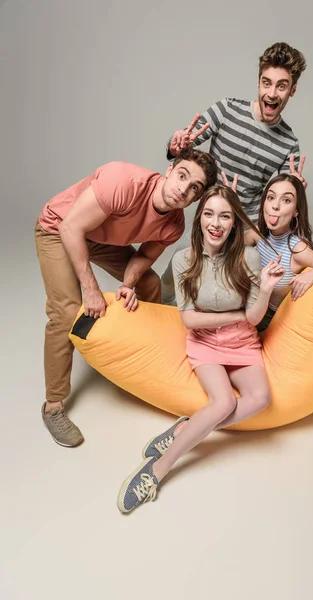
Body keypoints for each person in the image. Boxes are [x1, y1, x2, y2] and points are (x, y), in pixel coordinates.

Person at [117, 184, 285, 514]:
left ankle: (183, 429)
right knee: (221, 402)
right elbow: (190, 320)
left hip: (241, 343)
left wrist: (265, 290)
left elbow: (254, 317)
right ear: (199, 220)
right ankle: (157, 469)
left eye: (225, 216)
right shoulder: (183, 260)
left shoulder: (249, 257)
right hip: (205, 344)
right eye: (209, 214)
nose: (216, 223)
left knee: (261, 398)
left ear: (234, 222)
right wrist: (235, 317)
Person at [35, 148, 217, 448]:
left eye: (193, 189)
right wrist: (91, 289)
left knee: (149, 283)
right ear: (169, 171)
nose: (183, 189)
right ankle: (53, 405)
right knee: (66, 313)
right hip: (60, 228)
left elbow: (145, 256)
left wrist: (129, 285)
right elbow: (71, 227)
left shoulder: (174, 225)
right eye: (182, 176)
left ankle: (146, 362)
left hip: (98, 238)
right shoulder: (124, 181)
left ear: (196, 199)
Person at [161, 41, 307, 304]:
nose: (272, 93)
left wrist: (294, 190)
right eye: (266, 82)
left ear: (292, 90)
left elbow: (281, 203)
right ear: (259, 82)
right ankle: (156, 318)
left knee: (230, 293)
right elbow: (186, 145)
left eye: (281, 86)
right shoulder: (227, 110)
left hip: (247, 230)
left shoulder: (289, 144)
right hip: (213, 214)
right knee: (179, 272)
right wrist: (176, 146)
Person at [244, 174, 313, 330]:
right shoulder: (258, 234)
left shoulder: (298, 250)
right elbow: (225, 248)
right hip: (246, 308)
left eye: (286, 200)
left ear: (296, 211)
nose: (275, 206)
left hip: (268, 324)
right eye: (271, 197)